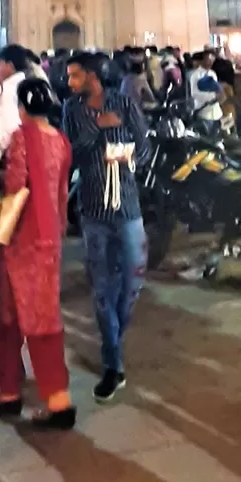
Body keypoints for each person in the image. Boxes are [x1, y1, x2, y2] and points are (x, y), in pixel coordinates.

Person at [0, 77, 75, 428]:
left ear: (21, 107)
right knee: (45, 318)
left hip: (21, 239)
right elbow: (62, 192)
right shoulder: (61, 141)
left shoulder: (23, 138)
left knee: (6, 314)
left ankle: (10, 392)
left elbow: (15, 185)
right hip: (49, 237)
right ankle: (57, 395)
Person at [63, 51, 149, 403]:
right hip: (94, 210)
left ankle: (116, 330)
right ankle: (112, 362)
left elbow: (144, 149)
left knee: (131, 282)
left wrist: (123, 148)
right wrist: (99, 130)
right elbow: (72, 152)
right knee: (101, 289)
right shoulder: (72, 110)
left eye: (75, 76)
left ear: (94, 76)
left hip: (127, 206)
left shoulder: (124, 104)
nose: (70, 82)